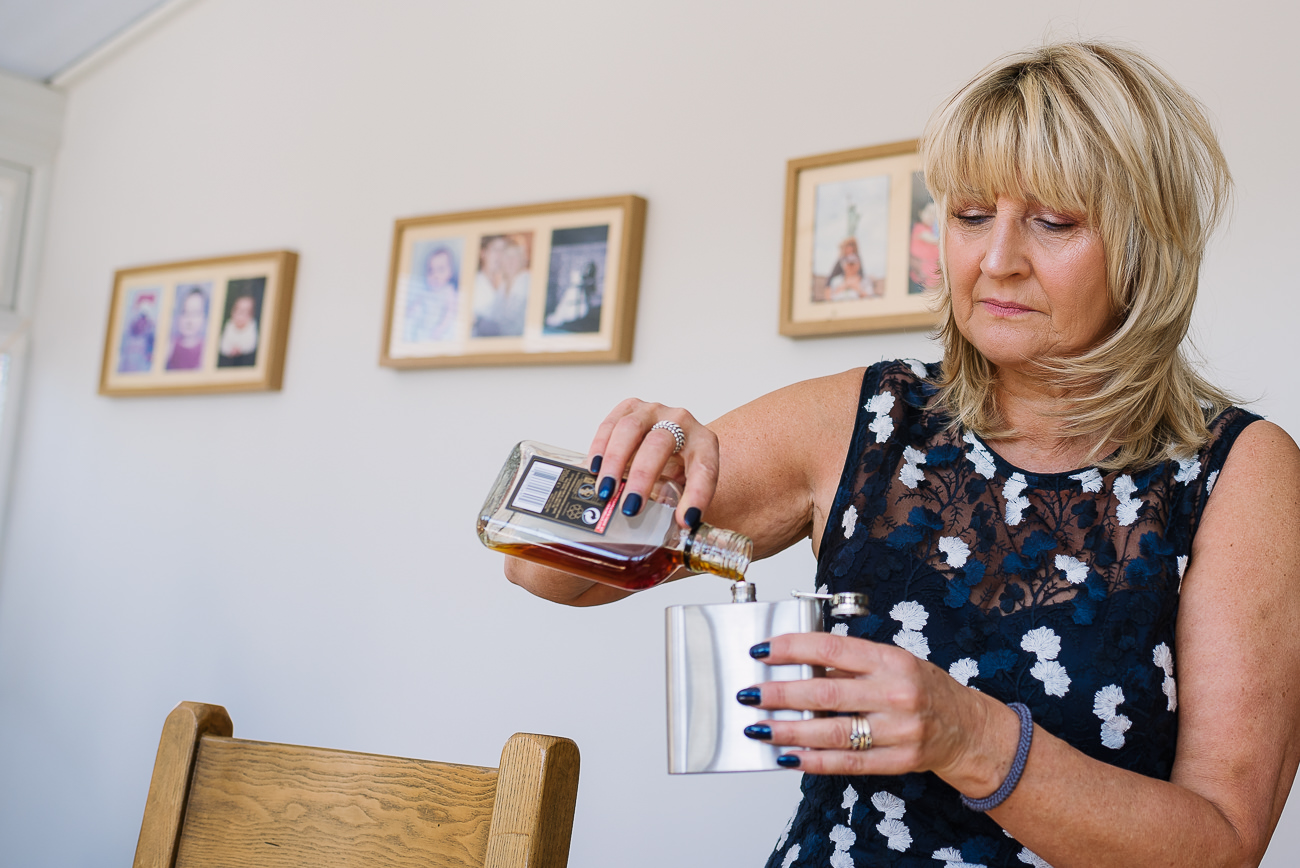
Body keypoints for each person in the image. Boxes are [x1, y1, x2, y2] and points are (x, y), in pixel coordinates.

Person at [503, 42, 1300, 867]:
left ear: (1148, 244)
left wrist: (969, 735)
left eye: (1054, 221)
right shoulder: (865, 418)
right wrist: (642, 471)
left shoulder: (1238, 471)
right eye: (970, 215)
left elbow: (1223, 845)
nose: (997, 260)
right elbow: (542, 572)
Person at [404, 244, 460, 342]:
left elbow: (450, 312)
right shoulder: (426, 292)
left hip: (438, 331)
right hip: (423, 328)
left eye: (440, 269)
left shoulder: (448, 290)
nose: (435, 275)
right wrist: (409, 312)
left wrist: (440, 328)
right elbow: (415, 305)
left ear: (450, 272)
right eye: (431, 270)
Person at [165, 286, 208, 371]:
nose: (189, 319)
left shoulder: (205, 349)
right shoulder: (171, 344)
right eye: (184, 312)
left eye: (195, 313)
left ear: (204, 318)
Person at [217, 293, 259, 367]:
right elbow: (223, 344)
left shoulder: (251, 325)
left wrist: (241, 349)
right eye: (238, 311)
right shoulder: (230, 325)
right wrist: (230, 350)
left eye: (246, 312)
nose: (241, 315)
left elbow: (252, 343)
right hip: (229, 358)